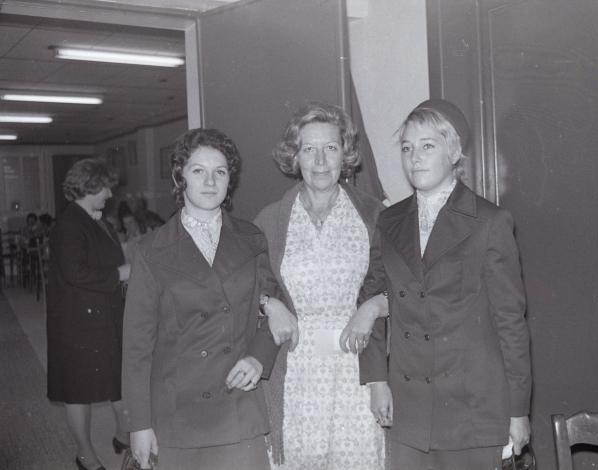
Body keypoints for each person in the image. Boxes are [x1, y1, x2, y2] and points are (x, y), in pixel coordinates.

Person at [360, 99, 532, 470]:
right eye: (407, 148)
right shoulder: (388, 221)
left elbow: (510, 322)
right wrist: (375, 379)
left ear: (454, 152)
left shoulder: (489, 221)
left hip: (473, 406)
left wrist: (518, 410)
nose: (415, 158)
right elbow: (372, 298)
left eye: (427, 146)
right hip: (410, 407)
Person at [121, 128, 292, 470]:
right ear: (179, 177)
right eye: (198, 170)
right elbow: (136, 346)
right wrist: (139, 424)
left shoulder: (251, 237)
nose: (210, 181)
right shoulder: (150, 250)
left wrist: (259, 359)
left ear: (231, 180)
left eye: (221, 171)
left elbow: (271, 304)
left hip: (238, 407)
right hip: (177, 413)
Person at [254, 102, 388, 470]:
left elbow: (389, 287)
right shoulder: (270, 219)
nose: (320, 160)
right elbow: (252, 283)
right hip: (296, 371)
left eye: (330, 148)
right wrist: (270, 302)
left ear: (345, 153)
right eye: (308, 149)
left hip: (354, 371)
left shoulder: (374, 215)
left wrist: (370, 308)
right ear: (294, 156)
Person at [46, 158, 131, 470]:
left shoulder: (95, 218)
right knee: (77, 390)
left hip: (104, 314)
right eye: (106, 187)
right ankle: (85, 455)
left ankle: (124, 432)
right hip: (77, 322)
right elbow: (74, 272)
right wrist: (121, 273)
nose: (110, 193)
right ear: (91, 186)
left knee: (118, 376)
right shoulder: (69, 224)